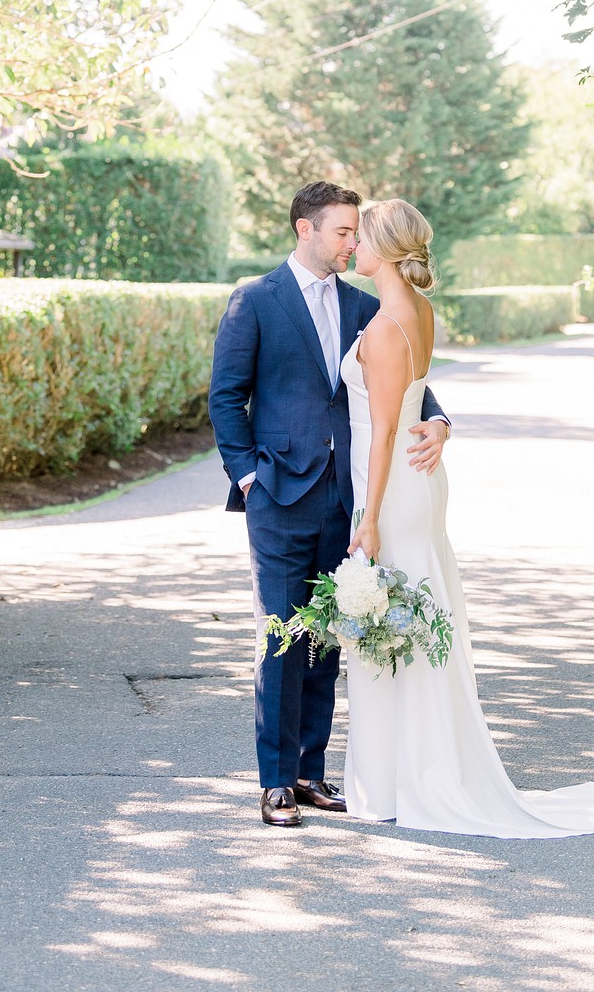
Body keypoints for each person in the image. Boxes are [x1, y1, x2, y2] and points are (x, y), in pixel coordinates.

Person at [343, 196, 594, 839]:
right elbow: (417, 403)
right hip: (417, 481)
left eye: (361, 236)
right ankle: (408, 772)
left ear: (386, 250)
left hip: (394, 486)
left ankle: (405, 780)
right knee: (416, 614)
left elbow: (384, 428)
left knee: (394, 618)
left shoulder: (382, 327)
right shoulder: (417, 312)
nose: (352, 247)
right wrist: (438, 427)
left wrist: (366, 518)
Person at [208, 180, 451, 828]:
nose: (351, 242)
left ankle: (313, 772)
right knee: (281, 637)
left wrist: (443, 421)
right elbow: (225, 397)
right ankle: (276, 782)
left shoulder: (362, 305)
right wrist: (249, 477)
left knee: (330, 642)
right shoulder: (254, 300)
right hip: (279, 495)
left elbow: (404, 387)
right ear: (304, 229)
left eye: (356, 233)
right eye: (342, 231)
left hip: (345, 501)